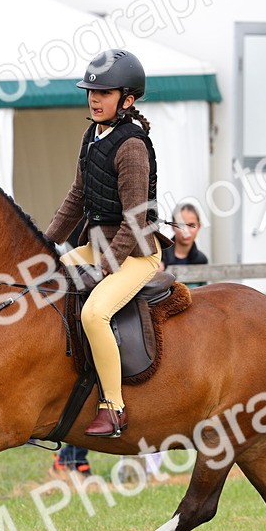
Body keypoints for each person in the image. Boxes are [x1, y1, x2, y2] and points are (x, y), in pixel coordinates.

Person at [45, 49, 171, 437]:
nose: (94, 99)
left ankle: (114, 408)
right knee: (39, 281)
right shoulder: (92, 135)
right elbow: (76, 197)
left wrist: (107, 264)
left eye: (104, 93)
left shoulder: (131, 146)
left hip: (135, 254)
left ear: (127, 100)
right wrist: (43, 244)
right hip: (97, 245)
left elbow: (135, 218)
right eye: (91, 92)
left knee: (94, 314)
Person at [161, 203, 209, 282]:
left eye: (191, 225)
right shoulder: (159, 256)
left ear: (199, 226)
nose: (186, 231)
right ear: (173, 227)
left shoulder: (201, 260)